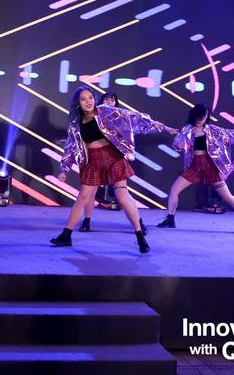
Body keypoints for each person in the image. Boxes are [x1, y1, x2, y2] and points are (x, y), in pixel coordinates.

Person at [50, 86, 177, 253]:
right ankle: (66, 235)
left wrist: (159, 126)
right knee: (82, 197)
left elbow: (133, 118)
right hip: (92, 162)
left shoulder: (105, 111)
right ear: (77, 103)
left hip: (112, 158)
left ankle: (140, 237)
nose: (88, 101)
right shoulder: (76, 125)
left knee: (122, 197)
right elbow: (70, 147)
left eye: (90, 97)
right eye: (83, 99)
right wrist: (64, 170)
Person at [158, 104, 234, 235]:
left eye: (204, 116)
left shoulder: (213, 130)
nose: (202, 119)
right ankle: (170, 219)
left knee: (227, 196)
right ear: (194, 116)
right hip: (194, 166)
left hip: (210, 166)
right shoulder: (187, 130)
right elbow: (176, 145)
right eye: (200, 116)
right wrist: (180, 144)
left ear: (206, 116)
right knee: (174, 190)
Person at [79, 91, 120, 232]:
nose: (110, 101)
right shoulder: (94, 115)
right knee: (90, 192)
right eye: (107, 99)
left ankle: (139, 224)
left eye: (113, 100)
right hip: (95, 157)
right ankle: (86, 221)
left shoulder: (120, 117)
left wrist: (159, 126)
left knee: (122, 194)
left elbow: (135, 124)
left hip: (114, 158)